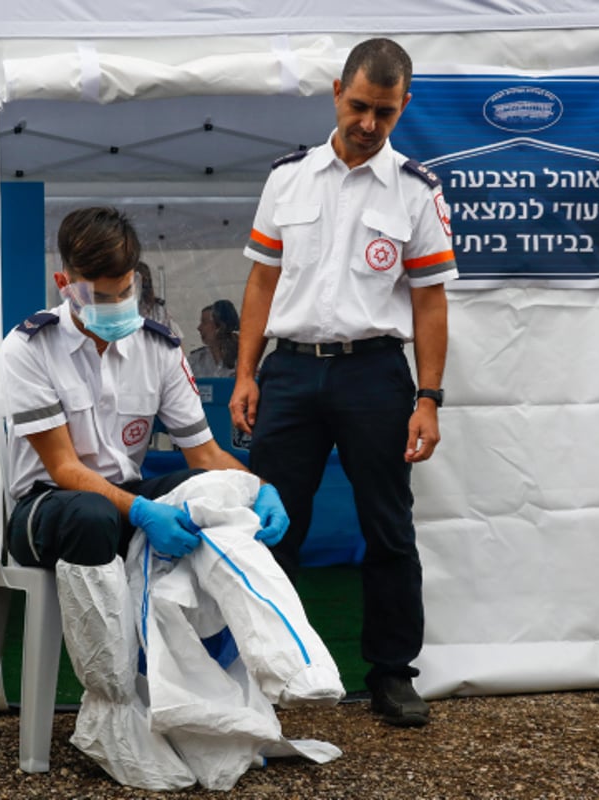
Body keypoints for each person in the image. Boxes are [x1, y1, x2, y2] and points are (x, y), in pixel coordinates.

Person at [0, 206, 301, 786]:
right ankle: (112, 719)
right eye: (102, 294)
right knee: (91, 514)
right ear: (66, 283)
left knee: (217, 494)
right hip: (45, 509)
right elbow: (63, 468)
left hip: (124, 500)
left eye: (125, 289)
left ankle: (227, 706)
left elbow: (204, 455)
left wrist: (259, 488)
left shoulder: (159, 347)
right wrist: (138, 510)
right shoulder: (29, 347)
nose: (117, 305)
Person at [230, 38, 456, 729]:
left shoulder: (417, 190)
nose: (368, 122)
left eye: (383, 112)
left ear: (403, 107)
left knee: (387, 528)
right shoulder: (288, 178)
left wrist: (429, 397)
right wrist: (244, 371)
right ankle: (261, 671)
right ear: (336, 91)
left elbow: (429, 301)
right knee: (270, 525)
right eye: (359, 105)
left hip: (375, 374)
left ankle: (391, 674)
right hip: (291, 370)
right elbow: (263, 278)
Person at [188, 300, 239, 378]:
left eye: (204, 322)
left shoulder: (242, 360)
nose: (199, 328)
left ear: (219, 327)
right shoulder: (195, 361)